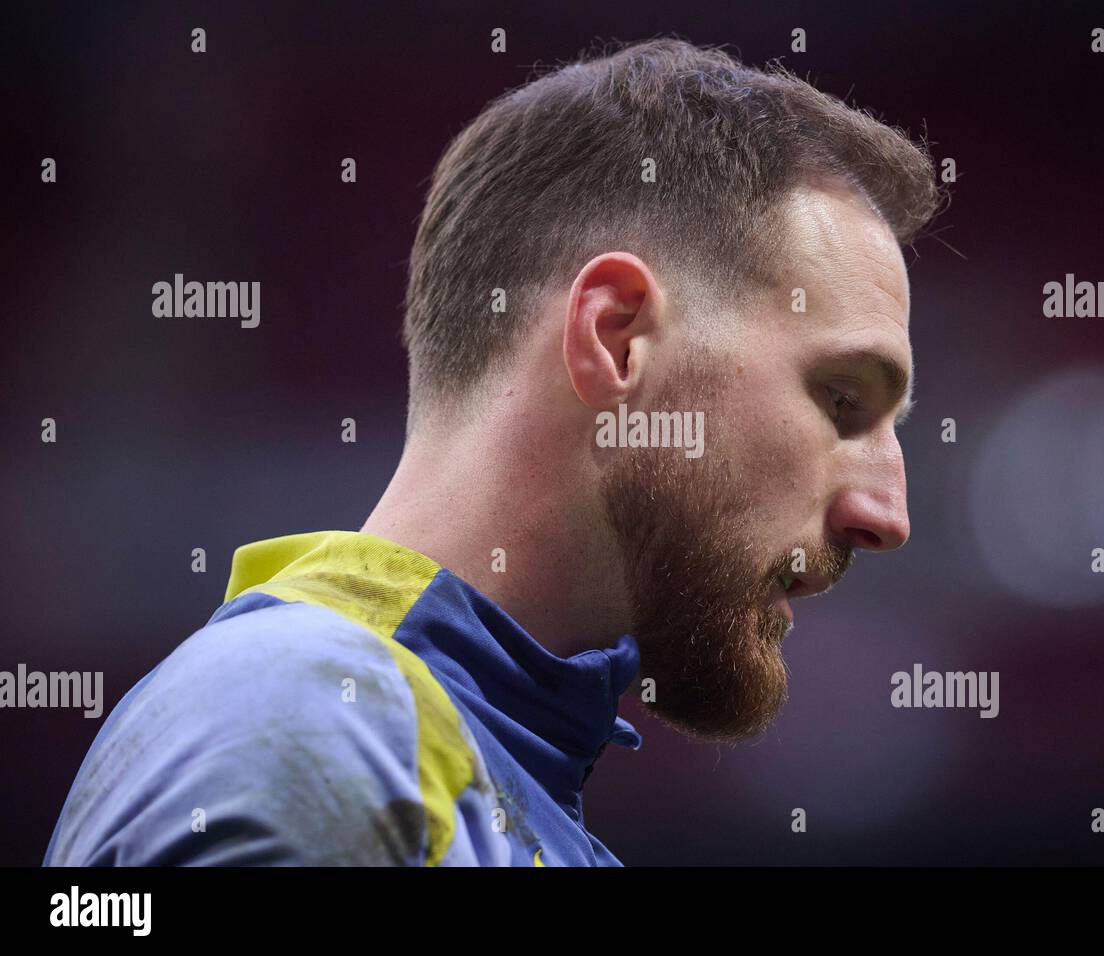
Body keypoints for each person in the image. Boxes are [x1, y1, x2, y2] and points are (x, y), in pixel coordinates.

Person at [44, 37, 941, 867]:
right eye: (840, 399)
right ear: (617, 338)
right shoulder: (310, 727)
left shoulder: (444, 767)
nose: (887, 515)